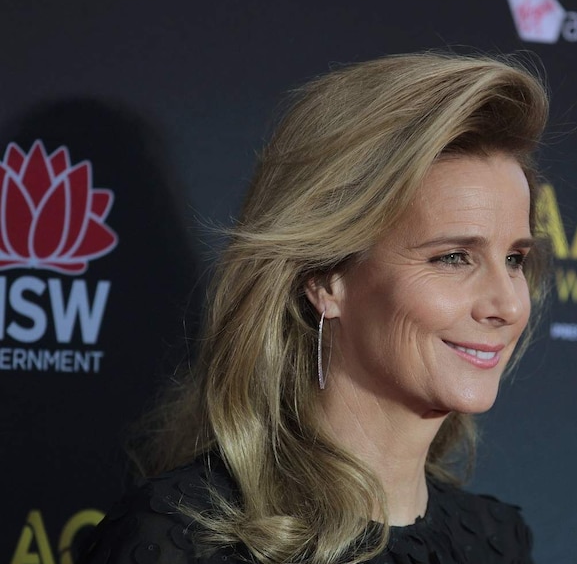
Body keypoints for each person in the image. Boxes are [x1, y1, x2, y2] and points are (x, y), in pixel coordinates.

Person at [79, 51, 549, 564]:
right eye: (454, 257)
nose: (506, 303)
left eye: (514, 259)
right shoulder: (189, 540)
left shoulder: (498, 540)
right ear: (326, 278)